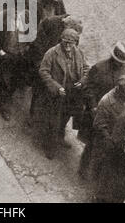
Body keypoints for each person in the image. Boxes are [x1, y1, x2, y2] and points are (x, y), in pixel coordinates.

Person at [78, 41, 125, 179]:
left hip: (116, 113)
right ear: (113, 58)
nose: (121, 64)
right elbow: (88, 88)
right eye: (118, 61)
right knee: (91, 144)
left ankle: (97, 172)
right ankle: (83, 168)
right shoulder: (99, 67)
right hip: (97, 110)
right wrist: (93, 106)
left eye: (123, 62)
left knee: (107, 145)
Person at [39, 28, 89, 159]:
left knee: (65, 118)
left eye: (71, 43)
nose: (67, 45)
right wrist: (56, 87)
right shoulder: (52, 53)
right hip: (57, 94)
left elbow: (86, 69)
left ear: (75, 43)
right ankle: (49, 146)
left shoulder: (78, 53)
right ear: (61, 40)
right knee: (53, 121)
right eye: (65, 42)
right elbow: (43, 71)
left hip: (73, 93)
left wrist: (83, 81)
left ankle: (60, 138)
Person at [92, 75, 125, 203]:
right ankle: (96, 195)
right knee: (102, 171)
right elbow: (98, 124)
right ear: (120, 90)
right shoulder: (106, 101)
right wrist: (109, 139)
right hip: (107, 141)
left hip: (121, 141)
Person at [0, 8, 31, 121]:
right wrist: (0, 51)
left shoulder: (26, 15)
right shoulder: (1, 17)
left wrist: (27, 46)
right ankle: (4, 106)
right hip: (6, 54)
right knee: (4, 80)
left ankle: (9, 95)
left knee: (15, 79)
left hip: (20, 55)